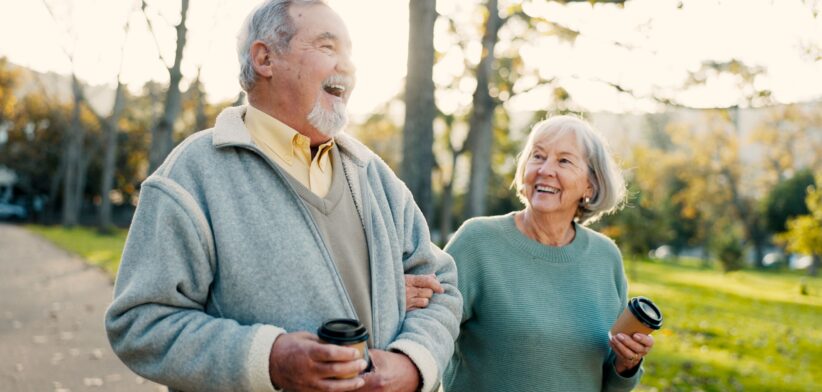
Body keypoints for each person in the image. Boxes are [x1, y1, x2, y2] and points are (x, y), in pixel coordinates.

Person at [104, 1, 461, 391]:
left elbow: (441, 286)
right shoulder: (191, 175)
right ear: (265, 58)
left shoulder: (373, 174)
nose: (348, 66)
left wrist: (411, 363)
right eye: (328, 48)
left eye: (350, 52)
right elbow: (141, 324)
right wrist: (269, 359)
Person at [435, 115, 654, 391]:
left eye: (564, 161)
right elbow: (427, 332)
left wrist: (627, 363)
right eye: (538, 156)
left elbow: (611, 381)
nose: (545, 169)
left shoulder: (606, 257)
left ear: (591, 184)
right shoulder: (478, 242)